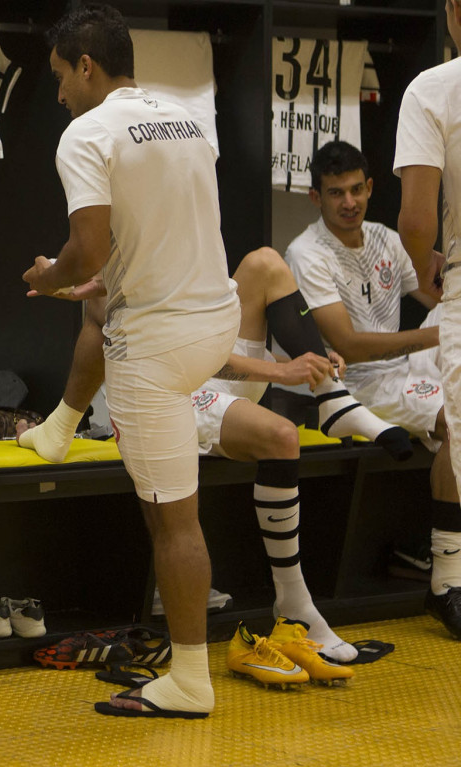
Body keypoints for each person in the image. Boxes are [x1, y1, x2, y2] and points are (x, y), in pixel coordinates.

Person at [22, 248, 410, 671]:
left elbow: (208, 337)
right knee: (281, 435)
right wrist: (281, 372)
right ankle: (295, 602)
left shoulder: (185, 221)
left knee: (264, 262)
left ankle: (333, 396)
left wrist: (306, 362)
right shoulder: (128, 245)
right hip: (173, 388)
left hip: (211, 367)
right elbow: (185, 351)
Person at [22, 4, 240, 719]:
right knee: (103, 301)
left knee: (174, 522)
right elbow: (161, 223)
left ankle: (189, 680)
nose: (57, 93)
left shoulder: (85, 132)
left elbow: (85, 248)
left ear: (86, 65)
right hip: (216, 318)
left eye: (59, 76)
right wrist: (99, 274)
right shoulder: (185, 115)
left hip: (157, 343)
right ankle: (59, 423)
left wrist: (49, 276)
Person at [286, 142, 459, 620]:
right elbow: (350, 344)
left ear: (371, 187)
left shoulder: (386, 237)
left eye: (357, 189)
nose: (349, 202)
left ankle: (427, 548)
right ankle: (447, 571)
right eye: (336, 192)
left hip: (408, 365)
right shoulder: (307, 252)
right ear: (315, 198)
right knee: (457, 422)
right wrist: (440, 332)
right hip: (358, 383)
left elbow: (439, 293)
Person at [394, 0, 461, 640]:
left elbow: (415, 221)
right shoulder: (305, 251)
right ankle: (448, 577)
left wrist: (431, 279)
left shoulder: (435, 88)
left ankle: (448, 577)